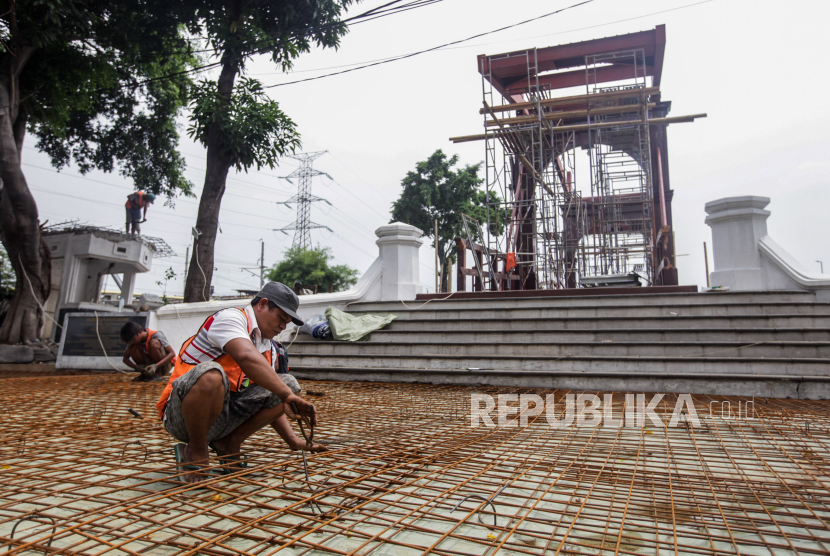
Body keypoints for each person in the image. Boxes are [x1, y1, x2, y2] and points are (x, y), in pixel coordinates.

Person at [156, 281, 323, 483]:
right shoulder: (230, 318)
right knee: (211, 374)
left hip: (221, 418)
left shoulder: (267, 347)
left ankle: (229, 443)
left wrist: (293, 440)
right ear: (261, 305)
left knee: (286, 383)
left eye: (287, 322)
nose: (283, 326)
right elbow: (245, 355)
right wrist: (286, 395)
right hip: (182, 418)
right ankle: (197, 449)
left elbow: (271, 397)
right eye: (281, 318)